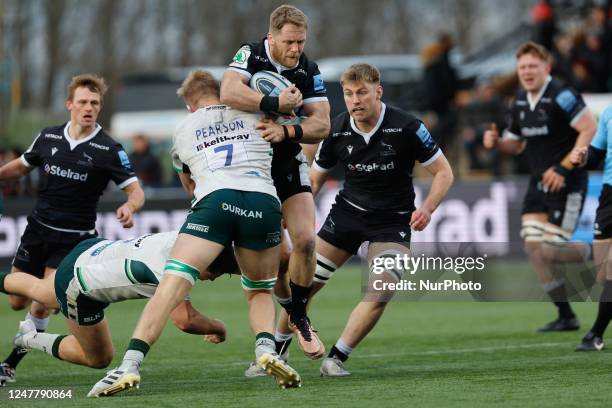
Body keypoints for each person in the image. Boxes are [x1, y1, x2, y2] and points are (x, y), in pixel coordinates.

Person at [88, 69, 301, 397]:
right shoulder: (253, 111)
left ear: (190, 105)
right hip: (263, 201)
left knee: (170, 288)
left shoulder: (184, 129)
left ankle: (129, 365)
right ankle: (266, 351)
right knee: (259, 291)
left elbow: (189, 184)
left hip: (216, 200)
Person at [305, 63, 453, 376]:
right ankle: (275, 349)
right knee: (302, 286)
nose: (355, 100)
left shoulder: (407, 126)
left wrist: (426, 208)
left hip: (392, 221)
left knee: (381, 290)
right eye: (348, 94)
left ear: (378, 92)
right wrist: (300, 222)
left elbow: (444, 172)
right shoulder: (337, 129)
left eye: (362, 92)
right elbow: (314, 180)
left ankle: (336, 358)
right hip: (347, 215)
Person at [0, 74, 145, 383]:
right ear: (70, 105)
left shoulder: (109, 149)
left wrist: (128, 206)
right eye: (82, 102)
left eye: (94, 103)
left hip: (73, 241)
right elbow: (22, 166)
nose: (88, 108)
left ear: (100, 107)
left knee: (45, 303)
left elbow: (136, 191)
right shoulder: (48, 137)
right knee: (16, 300)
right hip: (37, 231)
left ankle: (9, 365)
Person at [220, 4, 330, 361]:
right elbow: (228, 90)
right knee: (276, 261)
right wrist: (273, 101)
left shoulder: (309, 70)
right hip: (250, 170)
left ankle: (298, 315)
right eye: (289, 41)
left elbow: (323, 124)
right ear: (272, 37)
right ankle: (281, 330)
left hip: (286, 164)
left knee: (307, 241)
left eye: (301, 41)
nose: (296, 49)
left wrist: (287, 130)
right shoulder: (250, 53)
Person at [0, 231, 229, 390]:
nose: (209, 280)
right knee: (99, 359)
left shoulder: (187, 236)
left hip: (93, 250)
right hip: (80, 287)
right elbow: (185, 320)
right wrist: (219, 328)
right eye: (212, 275)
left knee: (38, 289)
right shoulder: (172, 269)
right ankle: (28, 338)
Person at [484, 41, 597, 331]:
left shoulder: (562, 95)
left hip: (568, 183)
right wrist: (498, 144)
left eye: (533, 66)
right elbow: (517, 144)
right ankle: (566, 316)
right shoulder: (520, 101)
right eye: (522, 67)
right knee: (534, 248)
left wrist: (564, 167)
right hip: (538, 184)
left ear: (546, 67)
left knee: (549, 251)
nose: (527, 71)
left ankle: (599, 252)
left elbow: (588, 128)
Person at [571, 106, 612, 351]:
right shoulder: (609, 113)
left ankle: (595, 334)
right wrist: (583, 157)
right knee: (603, 275)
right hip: (609, 196)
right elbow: (596, 154)